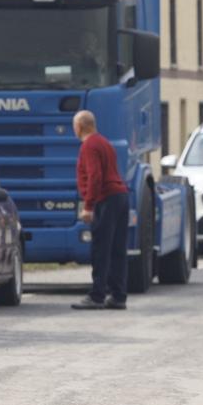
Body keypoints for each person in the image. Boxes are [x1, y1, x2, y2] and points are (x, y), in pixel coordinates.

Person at [70, 110, 131, 310]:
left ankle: (97, 295)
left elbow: (95, 176)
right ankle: (118, 295)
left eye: (74, 126)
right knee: (117, 250)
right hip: (120, 196)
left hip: (106, 199)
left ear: (80, 126)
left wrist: (88, 206)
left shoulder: (89, 145)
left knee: (101, 249)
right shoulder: (105, 143)